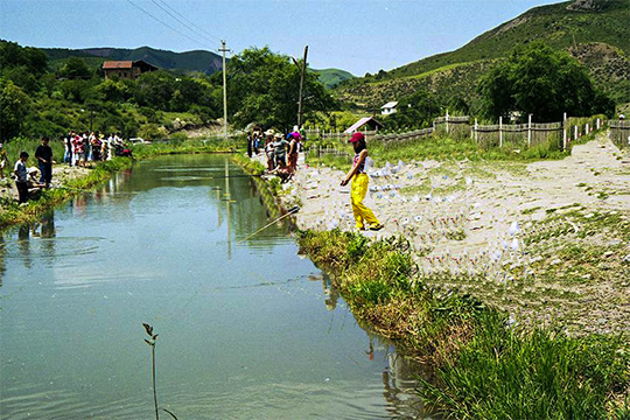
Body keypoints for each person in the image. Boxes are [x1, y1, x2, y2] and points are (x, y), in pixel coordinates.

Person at [340, 132, 383, 231]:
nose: (353, 145)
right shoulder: (356, 154)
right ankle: (359, 225)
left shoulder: (364, 152)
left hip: (362, 178)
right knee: (353, 202)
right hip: (355, 178)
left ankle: (374, 222)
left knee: (358, 201)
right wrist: (346, 178)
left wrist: (347, 179)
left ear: (360, 142)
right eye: (353, 143)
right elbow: (352, 167)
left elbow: (357, 167)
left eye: (355, 143)